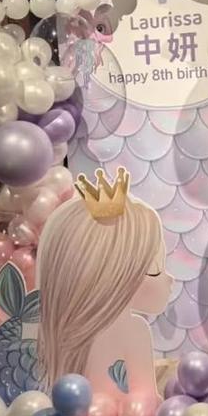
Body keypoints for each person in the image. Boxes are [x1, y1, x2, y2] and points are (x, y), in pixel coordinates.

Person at [36, 167, 173, 399]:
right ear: (112, 277)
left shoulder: (59, 339)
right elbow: (146, 399)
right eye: (155, 269)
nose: (170, 278)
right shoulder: (133, 331)